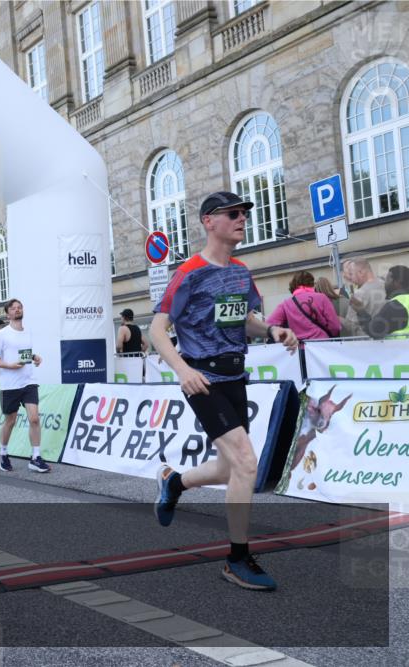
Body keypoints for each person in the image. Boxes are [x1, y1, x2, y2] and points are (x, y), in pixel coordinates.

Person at [150, 191, 298, 592]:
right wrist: (182, 370)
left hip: (235, 377)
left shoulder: (240, 271)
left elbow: (243, 319)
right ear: (208, 222)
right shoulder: (189, 272)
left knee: (228, 467)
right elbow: (157, 329)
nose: (242, 219)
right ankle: (236, 558)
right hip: (203, 380)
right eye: (233, 214)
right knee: (247, 462)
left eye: (244, 214)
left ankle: (174, 482)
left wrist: (271, 329)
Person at [0, 298, 52, 474]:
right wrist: (9, 366)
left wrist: (34, 357)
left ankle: (36, 457)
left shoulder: (28, 331)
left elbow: (24, 354)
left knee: (34, 418)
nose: (17, 310)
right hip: (10, 384)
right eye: (14, 308)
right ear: (8, 314)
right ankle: (3, 452)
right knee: (11, 420)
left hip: (28, 381)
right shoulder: (2, 334)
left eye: (19, 307)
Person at [266, 270, 341, 342]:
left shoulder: (286, 304)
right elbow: (335, 326)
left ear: (293, 285)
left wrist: (287, 336)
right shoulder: (322, 298)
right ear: (312, 283)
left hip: (299, 349)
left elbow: (269, 324)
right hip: (322, 346)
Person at [351, 265, 409, 339]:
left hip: (399, 349)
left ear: (397, 282)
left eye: (387, 280)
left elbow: (374, 330)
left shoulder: (394, 306)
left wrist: (361, 311)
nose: (385, 284)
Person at [341, 258, 387, 336]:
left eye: (352, 274)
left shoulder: (359, 293)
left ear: (361, 272)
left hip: (368, 341)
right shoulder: (386, 285)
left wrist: (339, 319)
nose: (351, 278)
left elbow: (351, 325)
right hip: (390, 339)